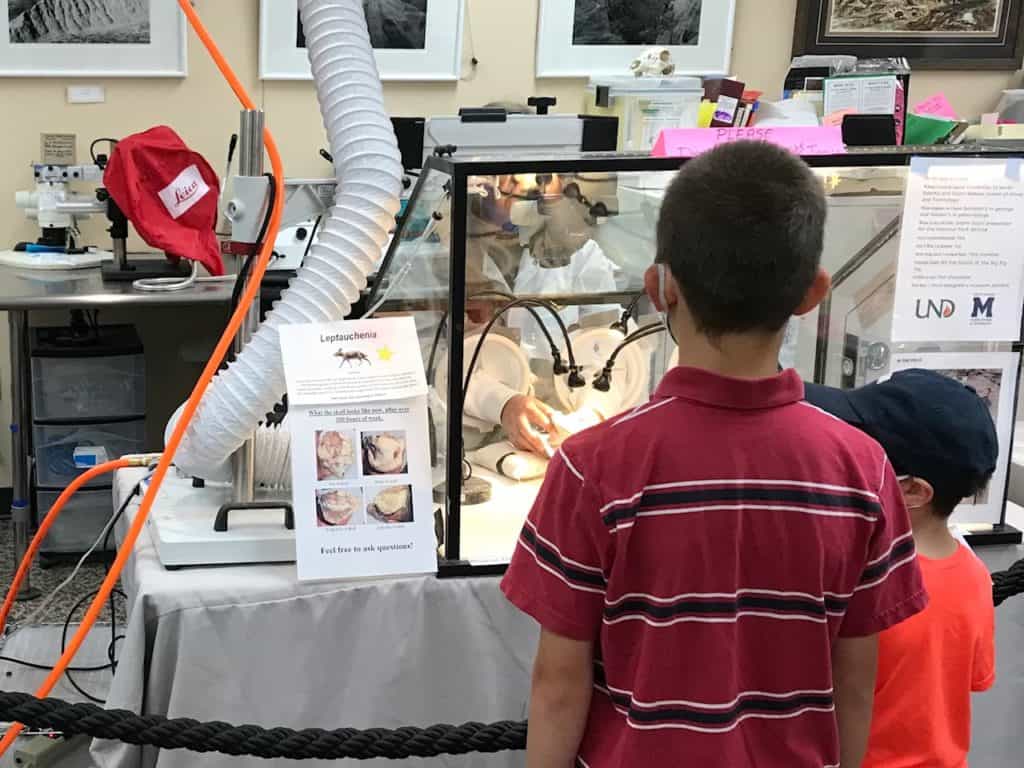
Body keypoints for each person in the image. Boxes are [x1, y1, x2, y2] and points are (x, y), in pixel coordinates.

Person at [499, 141, 928, 768]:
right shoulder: (862, 469)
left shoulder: (590, 468)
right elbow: (856, 685)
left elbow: (558, 687)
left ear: (659, 287)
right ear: (813, 292)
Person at [805, 369, 997, 768]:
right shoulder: (975, 576)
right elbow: (971, 680)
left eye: (859, 450)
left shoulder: (867, 584)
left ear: (912, 491)